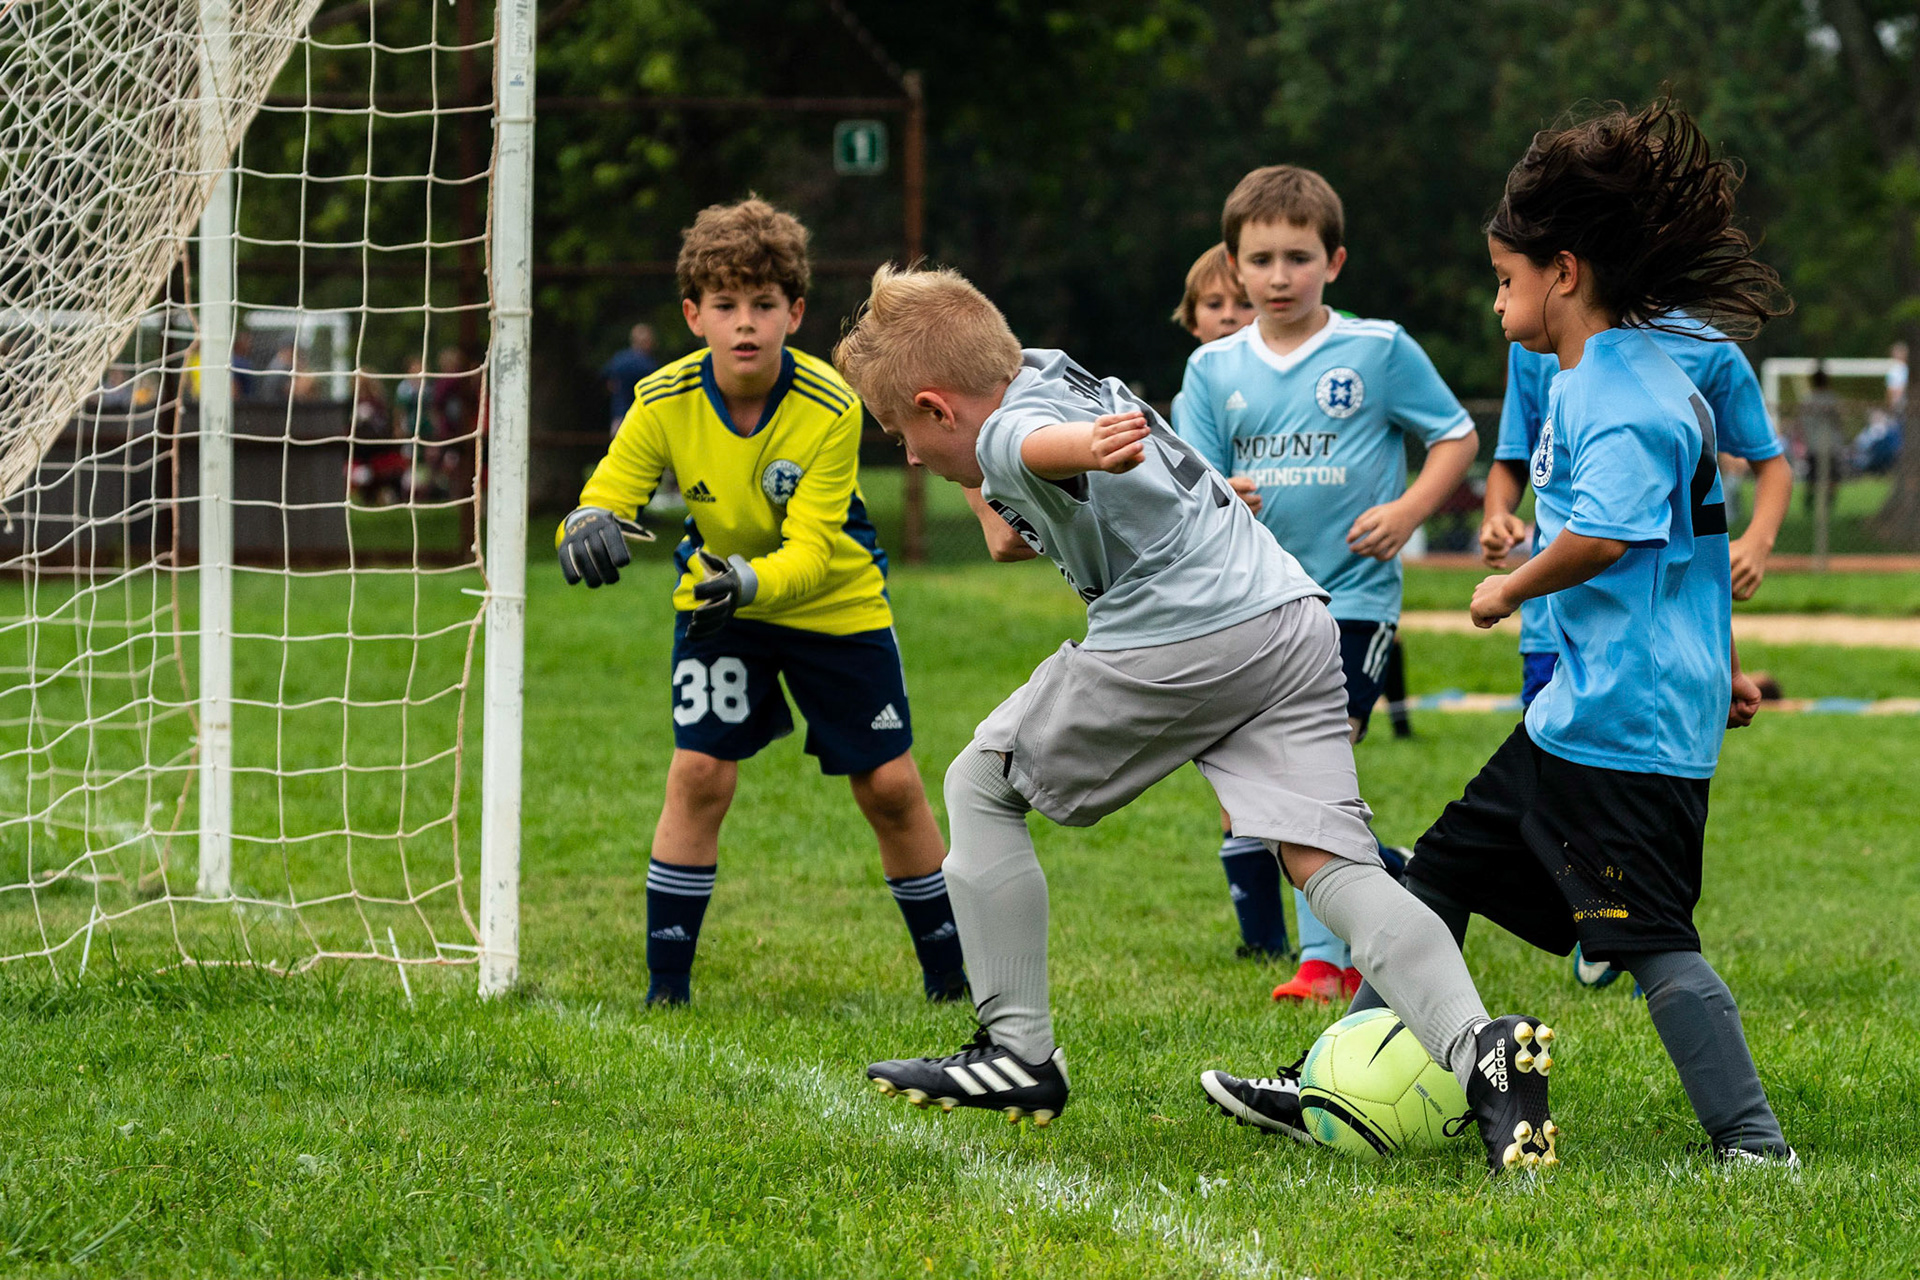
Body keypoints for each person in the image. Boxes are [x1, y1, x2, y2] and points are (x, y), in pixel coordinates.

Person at [836, 264, 1557, 1175]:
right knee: (1327, 860)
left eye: (900, 432)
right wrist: (1051, 470)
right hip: (1291, 615)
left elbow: (1027, 444)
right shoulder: (1051, 369)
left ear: (938, 407)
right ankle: (1479, 1049)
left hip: (1184, 633)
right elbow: (1016, 508)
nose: (907, 457)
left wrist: (1073, 454)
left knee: (981, 782)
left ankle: (1017, 1050)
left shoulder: (1014, 430)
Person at [1221, 101, 1795, 1166]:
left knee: (1651, 940)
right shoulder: (1610, 378)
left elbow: (1611, 539)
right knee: (1434, 875)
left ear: (1563, 274)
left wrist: (1507, 589)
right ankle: (1332, 1080)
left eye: (1503, 279)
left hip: (1621, 732)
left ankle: (1754, 1142)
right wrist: (1714, 670)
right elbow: (1691, 558)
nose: (1496, 302)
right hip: (1581, 716)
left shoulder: (1623, 394)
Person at [556, 198, 963, 1008]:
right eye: (726, 304)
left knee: (890, 786)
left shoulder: (831, 405)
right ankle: (666, 993)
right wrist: (584, 523)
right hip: (718, 607)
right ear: (693, 315)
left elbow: (812, 551)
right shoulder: (662, 399)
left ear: (795, 312)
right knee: (699, 773)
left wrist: (747, 582)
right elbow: (607, 493)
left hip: (835, 606)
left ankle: (953, 980)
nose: (745, 322)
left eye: (764, 304)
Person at [1173, 166, 1479, 1002]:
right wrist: (1221, 495)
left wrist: (1409, 511)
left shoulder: (1378, 350)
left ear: (1334, 262)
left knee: (1311, 764)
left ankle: (1322, 964)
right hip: (1257, 605)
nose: (1279, 276)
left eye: (1298, 257)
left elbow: (1455, 437)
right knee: (1280, 783)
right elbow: (1191, 481)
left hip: (1353, 599)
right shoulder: (1213, 369)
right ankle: (1398, 877)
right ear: (1233, 266)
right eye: (1261, 259)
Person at [604, 322, 660, 433]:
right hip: (641, 420)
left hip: (619, 417)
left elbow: (609, 384)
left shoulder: (618, 359)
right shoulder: (648, 364)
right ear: (647, 341)